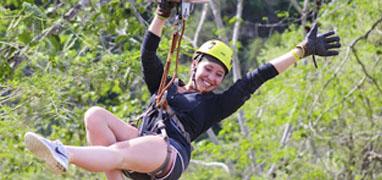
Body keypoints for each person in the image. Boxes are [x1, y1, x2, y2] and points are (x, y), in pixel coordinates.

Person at [24, 1, 341, 180]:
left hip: (167, 154)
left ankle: (62, 152)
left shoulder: (215, 105)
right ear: (194, 65)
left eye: (219, 74)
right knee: (96, 116)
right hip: (143, 144)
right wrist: (161, 15)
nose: (213, 78)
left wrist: (300, 51)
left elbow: (257, 77)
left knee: (125, 151)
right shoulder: (166, 87)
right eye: (209, 69)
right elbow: (148, 54)